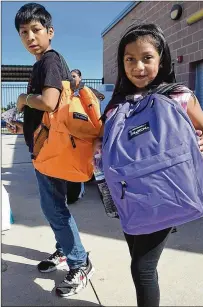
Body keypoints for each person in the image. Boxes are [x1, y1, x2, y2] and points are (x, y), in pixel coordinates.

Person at [98, 24, 203, 307]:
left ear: (161, 59)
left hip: (166, 192)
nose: (138, 67)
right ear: (121, 62)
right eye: (130, 59)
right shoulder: (115, 106)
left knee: (142, 267)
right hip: (131, 196)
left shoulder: (179, 96)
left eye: (146, 57)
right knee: (138, 260)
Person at [9, 3, 94, 298]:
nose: (30, 36)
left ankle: (79, 262)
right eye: (23, 32)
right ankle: (64, 248)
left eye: (35, 30)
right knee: (56, 205)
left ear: (50, 32)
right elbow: (50, 114)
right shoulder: (44, 63)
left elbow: (48, 102)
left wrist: (22, 98)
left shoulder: (49, 60)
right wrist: (23, 128)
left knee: (54, 208)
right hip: (46, 146)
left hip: (50, 152)